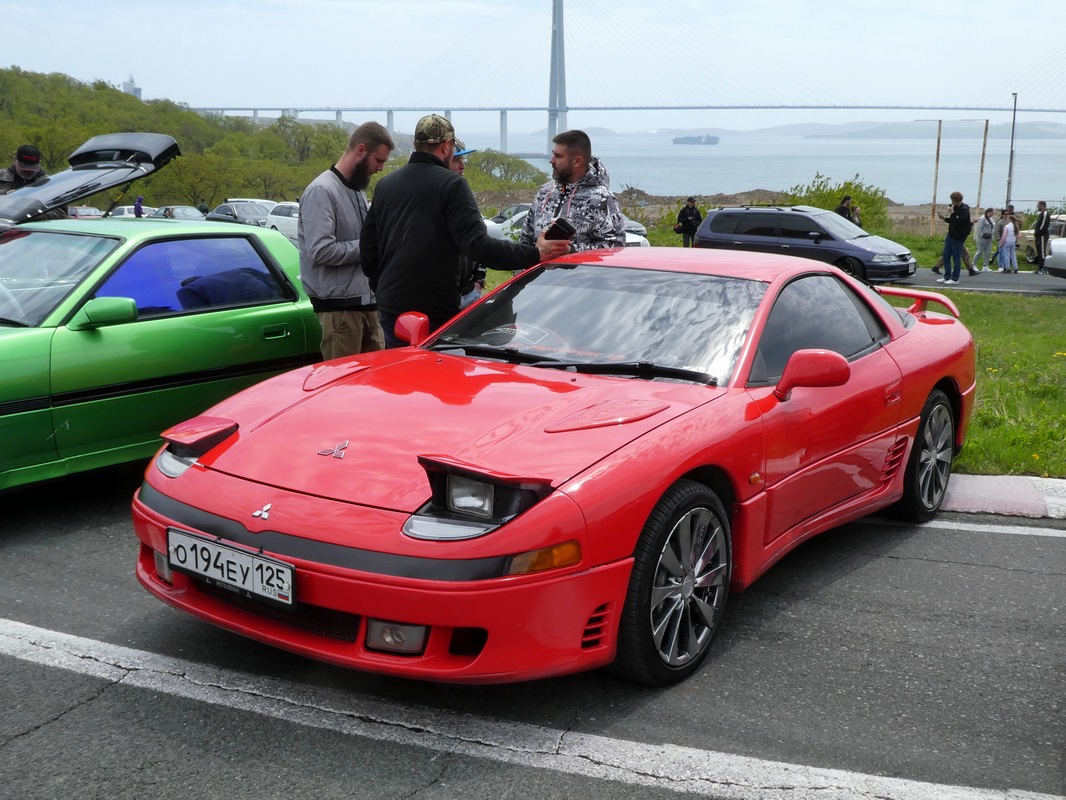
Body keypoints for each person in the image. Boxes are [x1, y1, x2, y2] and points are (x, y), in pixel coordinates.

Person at [361, 114, 569, 348]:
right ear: (447, 146)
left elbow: (368, 248)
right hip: (434, 312)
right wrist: (535, 254)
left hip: (391, 309)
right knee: (432, 379)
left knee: (398, 376)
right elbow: (477, 246)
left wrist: (382, 287)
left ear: (416, 145)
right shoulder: (452, 185)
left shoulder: (386, 185)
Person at [298, 120, 395, 359]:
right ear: (361, 150)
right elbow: (320, 251)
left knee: (372, 388)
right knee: (342, 390)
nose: (380, 168)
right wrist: (370, 246)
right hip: (339, 310)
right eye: (379, 160)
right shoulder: (321, 191)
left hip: (368, 305)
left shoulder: (358, 191)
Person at [518, 129, 626, 253]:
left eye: (558, 156)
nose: (551, 160)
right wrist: (522, 270)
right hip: (540, 272)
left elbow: (615, 246)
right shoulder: (545, 191)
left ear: (577, 161)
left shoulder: (602, 199)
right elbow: (525, 238)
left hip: (577, 272)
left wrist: (570, 250)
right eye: (553, 154)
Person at [448, 142, 487, 309]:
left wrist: (479, 279)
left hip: (470, 293)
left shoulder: (465, 196)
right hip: (444, 301)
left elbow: (480, 237)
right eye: (457, 160)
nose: (462, 166)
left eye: (462, 159)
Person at [936, 191, 972, 285]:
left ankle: (955, 278)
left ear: (957, 200)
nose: (952, 202)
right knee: (946, 255)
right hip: (951, 234)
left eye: (953, 200)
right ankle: (947, 276)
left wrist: (952, 213)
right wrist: (944, 218)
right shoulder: (955, 208)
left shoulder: (964, 209)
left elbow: (960, 221)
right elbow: (952, 221)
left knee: (956, 257)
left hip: (959, 236)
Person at [972, 207, 996, 272]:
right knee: (980, 251)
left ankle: (985, 265)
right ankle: (973, 264)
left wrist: (992, 236)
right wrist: (982, 236)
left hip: (989, 238)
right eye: (992, 213)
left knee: (988, 252)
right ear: (988, 212)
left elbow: (992, 227)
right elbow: (979, 228)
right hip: (982, 238)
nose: (992, 214)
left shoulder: (991, 219)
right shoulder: (982, 218)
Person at [1033, 200, 1051, 275]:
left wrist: (1038, 233)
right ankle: (1040, 267)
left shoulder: (1045, 213)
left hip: (1042, 235)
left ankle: (1043, 268)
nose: (1037, 206)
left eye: (1038, 205)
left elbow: (1043, 225)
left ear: (1042, 205)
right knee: (1039, 252)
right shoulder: (1041, 214)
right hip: (1039, 236)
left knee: (1042, 252)